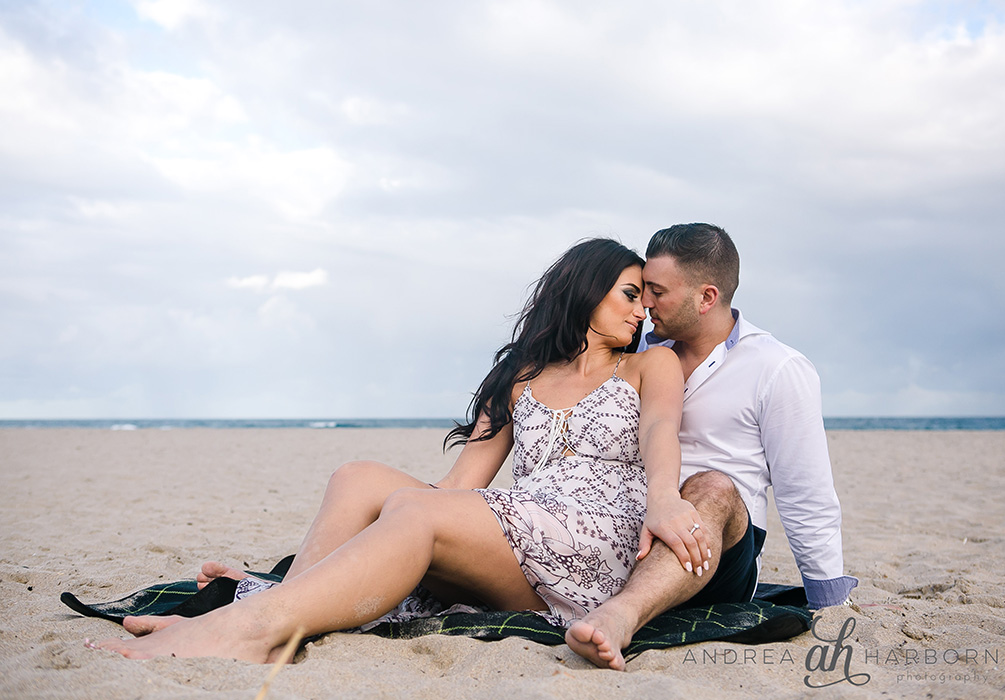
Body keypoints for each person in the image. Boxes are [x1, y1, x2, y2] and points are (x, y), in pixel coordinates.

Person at [94, 238, 708, 662]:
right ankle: (273, 603)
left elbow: (659, 432)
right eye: (631, 294)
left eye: (646, 298)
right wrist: (413, 510)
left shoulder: (651, 363)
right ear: (585, 291)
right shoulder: (522, 376)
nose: (643, 309)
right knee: (360, 476)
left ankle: (253, 627)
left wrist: (664, 499)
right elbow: (460, 482)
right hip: (523, 530)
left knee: (414, 513)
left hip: (597, 541)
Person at [566, 223, 858, 671]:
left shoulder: (777, 368)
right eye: (643, 289)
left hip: (719, 541)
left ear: (706, 297)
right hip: (630, 522)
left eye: (657, 292)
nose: (644, 303)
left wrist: (828, 601)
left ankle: (621, 615)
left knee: (713, 487)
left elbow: (806, 493)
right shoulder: (636, 351)